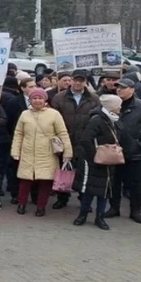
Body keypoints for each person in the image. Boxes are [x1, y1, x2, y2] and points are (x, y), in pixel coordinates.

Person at [73, 95, 132, 230]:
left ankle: (99, 217)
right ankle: (83, 215)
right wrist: (95, 156)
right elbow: (86, 140)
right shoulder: (97, 120)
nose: (120, 107)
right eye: (118, 105)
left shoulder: (114, 120)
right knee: (89, 190)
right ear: (111, 106)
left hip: (109, 160)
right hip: (97, 160)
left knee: (105, 191)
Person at [11, 88, 73, 216]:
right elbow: (18, 134)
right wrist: (15, 151)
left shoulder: (54, 114)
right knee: (25, 180)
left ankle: (41, 206)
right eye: (34, 98)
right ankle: (21, 203)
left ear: (45, 100)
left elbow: (63, 133)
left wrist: (68, 152)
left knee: (45, 182)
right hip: (28, 152)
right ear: (30, 100)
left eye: (40, 98)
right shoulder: (24, 114)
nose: (37, 101)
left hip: (47, 153)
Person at [106, 78, 141, 224]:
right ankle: (114, 207)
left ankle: (135, 210)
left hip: (134, 153)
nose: (119, 90)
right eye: (118, 87)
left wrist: (140, 145)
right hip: (114, 151)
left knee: (135, 184)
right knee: (114, 181)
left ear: (133, 89)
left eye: (123, 87)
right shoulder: (112, 104)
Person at [49, 69, 100, 210]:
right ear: (71, 80)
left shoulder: (93, 98)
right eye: (75, 80)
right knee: (63, 170)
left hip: (84, 141)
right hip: (65, 139)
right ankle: (62, 198)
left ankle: (84, 199)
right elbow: (53, 119)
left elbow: (96, 119)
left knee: (84, 171)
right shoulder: (59, 98)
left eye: (81, 80)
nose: (78, 83)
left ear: (85, 82)